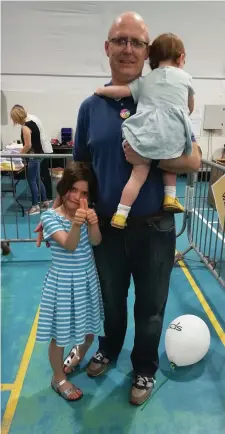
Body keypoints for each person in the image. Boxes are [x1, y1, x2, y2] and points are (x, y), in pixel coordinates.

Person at [35, 11, 201, 406]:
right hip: (105, 229)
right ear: (107, 48)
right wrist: (55, 212)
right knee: (109, 299)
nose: (128, 48)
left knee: (151, 307)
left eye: (137, 42)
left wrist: (150, 159)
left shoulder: (165, 95)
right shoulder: (92, 106)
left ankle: (144, 368)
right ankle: (107, 350)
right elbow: (79, 170)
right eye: (121, 40)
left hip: (156, 228)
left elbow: (193, 160)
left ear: (147, 52)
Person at [95, 32, 194, 229]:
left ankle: (121, 214)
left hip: (144, 135)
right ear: (181, 57)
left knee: (138, 174)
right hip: (171, 135)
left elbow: (122, 91)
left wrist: (101, 91)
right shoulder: (185, 78)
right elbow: (189, 107)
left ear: (150, 57)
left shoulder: (146, 81)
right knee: (170, 158)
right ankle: (170, 196)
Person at [36, 162, 103, 401]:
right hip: (63, 286)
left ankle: (76, 356)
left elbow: (95, 242)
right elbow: (70, 245)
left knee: (89, 332)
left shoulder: (86, 214)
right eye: (73, 189)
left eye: (84, 193)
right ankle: (58, 378)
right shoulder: (50, 216)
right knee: (59, 336)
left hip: (86, 281)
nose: (77, 197)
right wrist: (78, 222)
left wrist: (92, 223)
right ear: (63, 188)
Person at [10, 105, 49, 215]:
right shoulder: (32, 123)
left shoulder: (26, 127)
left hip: (33, 157)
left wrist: (19, 154)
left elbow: (28, 145)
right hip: (38, 155)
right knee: (37, 179)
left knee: (32, 180)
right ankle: (45, 201)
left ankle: (35, 206)